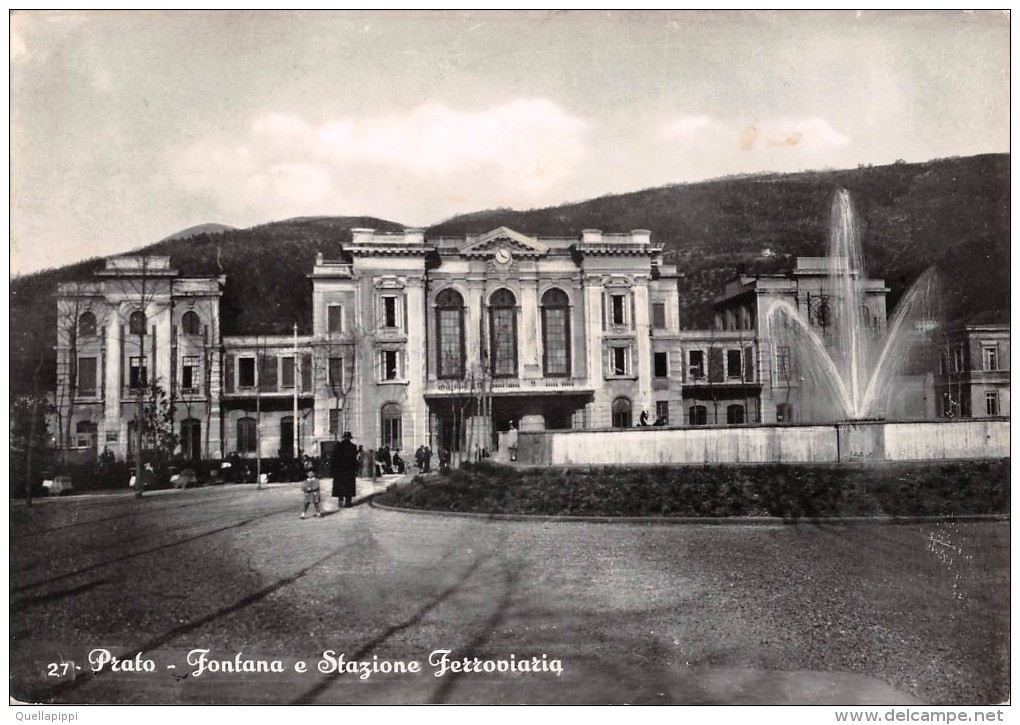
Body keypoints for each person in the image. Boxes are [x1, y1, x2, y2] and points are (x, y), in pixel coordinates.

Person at [330, 431, 359, 508]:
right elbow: (354, 460)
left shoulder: (338, 446)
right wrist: (356, 469)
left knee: (340, 485)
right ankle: (348, 502)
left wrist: (333, 469)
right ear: (349, 438)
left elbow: (333, 459)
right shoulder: (353, 447)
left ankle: (340, 501)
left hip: (339, 470)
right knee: (348, 486)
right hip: (349, 470)